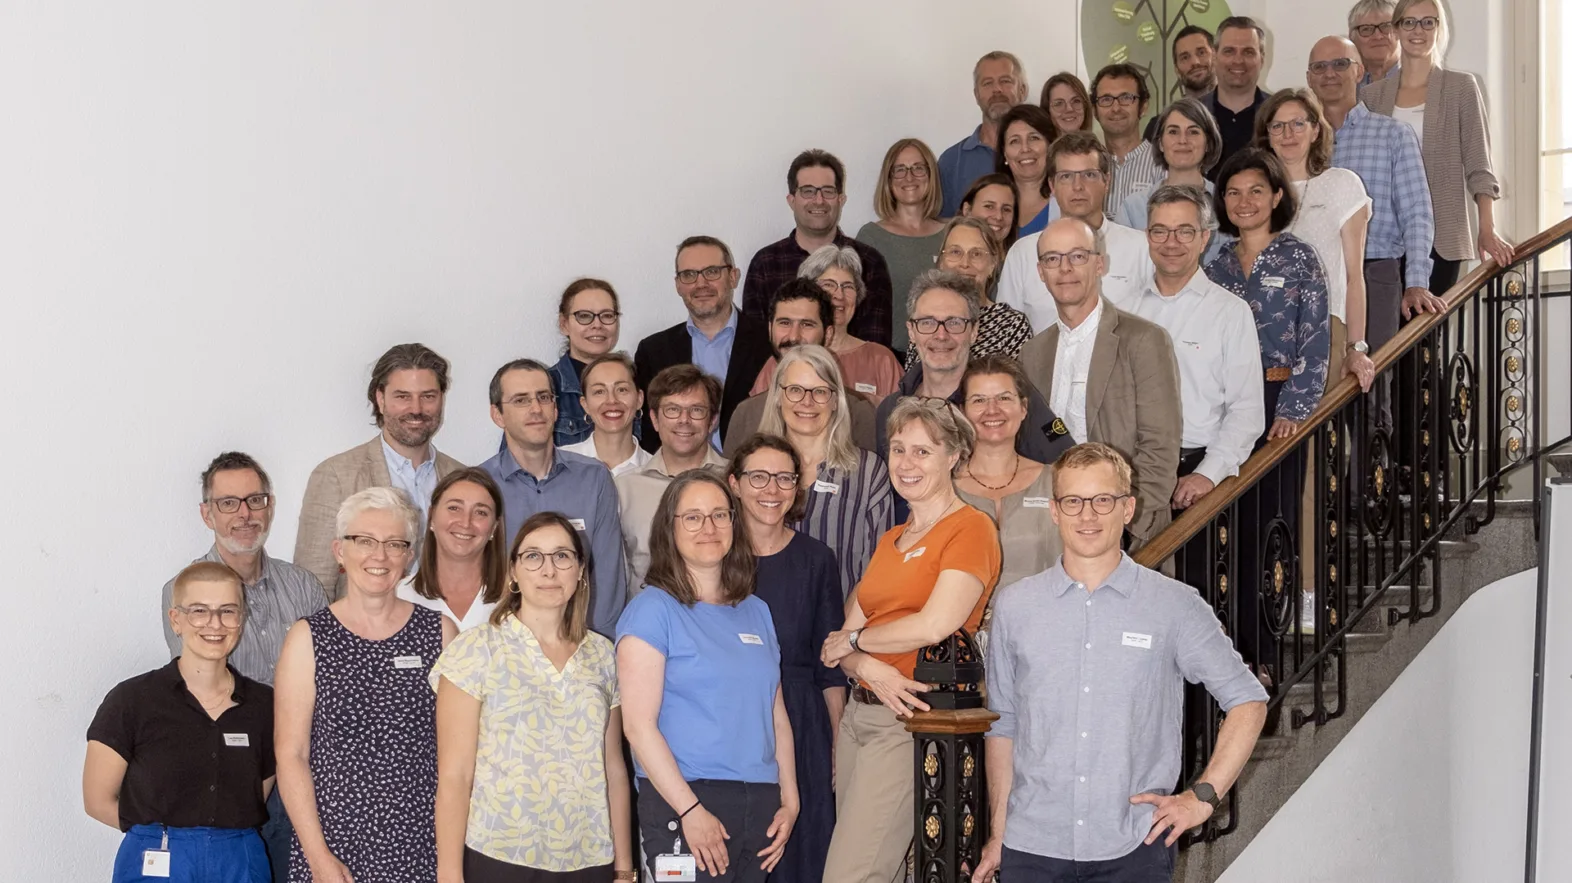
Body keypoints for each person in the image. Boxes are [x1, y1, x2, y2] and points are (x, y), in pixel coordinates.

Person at [972, 443, 1269, 882]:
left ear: (1127, 508)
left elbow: (1248, 701)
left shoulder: (1175, 606)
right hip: (1031, 847)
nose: (1087, 516)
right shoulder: (1015, 607)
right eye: (1073, 501)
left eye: (1103, 500)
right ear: (1055, 511)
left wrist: (1203, 797)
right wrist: (999, 832)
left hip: (1134, 850)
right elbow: (1004, 727)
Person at [819, 397, 1002, 883]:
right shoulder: (890, 538)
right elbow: (837, 643)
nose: (906, 463)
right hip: (862, 713)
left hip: (910, 721)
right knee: (891, 873)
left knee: (849, 876)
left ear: (954, 456)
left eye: (923, 451)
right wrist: (867, 664)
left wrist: (859, 645)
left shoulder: (971, 527)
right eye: (898, 449)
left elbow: (934, 624)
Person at [432, 512, 635, 883]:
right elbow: (454, 777)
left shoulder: (603, 655)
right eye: (533, 556)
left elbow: (613, 769)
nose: (549, 570)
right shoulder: (476, 649)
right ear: (512, 572)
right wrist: (449, 876)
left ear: (580, 570)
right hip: (499, 856)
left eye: (562, 556)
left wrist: (624, 868)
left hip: (589, 858)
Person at [616, 472, 799, 883]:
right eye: (693, 517)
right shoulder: (652, 611)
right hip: (687, 802)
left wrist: (790, 799)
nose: (709, 528)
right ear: (669, 527)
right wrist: (689, 810)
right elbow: (638, 728)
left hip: (762, 803)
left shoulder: (757, 611)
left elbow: (777, 716)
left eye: (719, 514)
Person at [275, 488, 459, 883]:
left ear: (410, 556)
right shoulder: (307, 638)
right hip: (334, 848)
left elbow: (457, 756)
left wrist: (451, 862)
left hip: (423, 846)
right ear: (339, 550)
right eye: (365, 541)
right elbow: (291, 755)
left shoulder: (440, 633)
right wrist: (317, 857)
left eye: (395, 544)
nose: (380, 556)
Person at [156, 452, 323, 881]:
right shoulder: (184, 591)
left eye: (255, 500)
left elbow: (326, 679)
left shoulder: (303, 585)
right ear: (206, 513)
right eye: (228, 503)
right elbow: (200, 686)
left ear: (270, 505)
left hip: (305, 763)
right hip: (237, 770)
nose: (244, 514)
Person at [1207, 149, 1330, 668]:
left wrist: (1295, 410)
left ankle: (1270, 648)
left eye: (1257, 190)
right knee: (1226, 529)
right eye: (1233, 192)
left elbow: (1317, 339)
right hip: (1225, 409)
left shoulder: (1299, 257)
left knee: (1271, 523)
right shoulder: (1214, 264)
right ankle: (1231, 648)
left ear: (1278, 196)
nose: (1245, 201)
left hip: (1280, 403)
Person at [87, 562, 275, 883]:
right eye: (199, 610)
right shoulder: (132, 700)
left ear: (241, 619)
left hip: (240, 859)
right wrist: (160, 835)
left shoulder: (264, 706)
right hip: (157, 856)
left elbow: (257, 793)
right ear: (176, 620)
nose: (215, 624)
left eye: (228, 611)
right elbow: (97, 800)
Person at [1019, 217, 1183, 550]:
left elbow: (1160, 449)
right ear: (1040, 272)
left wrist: (1124, 528)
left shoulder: (1144, 341)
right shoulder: (1031, 353)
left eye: (1078, 256)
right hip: (1055, 532)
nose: (1065, 268)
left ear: (1099, 264)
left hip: (1130, 533)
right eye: (1052, 259)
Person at [727, 435, 845, 883]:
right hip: (733, 721)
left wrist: (835, 741)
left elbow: (829, 664)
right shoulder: (712, 557)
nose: (771, 489)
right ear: (735, 484)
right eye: (758, 477)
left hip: (803, 721)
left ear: (797, 487)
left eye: (784, 478)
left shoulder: (817, 559)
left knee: (804, 857)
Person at [1308, 35, 1437, 429]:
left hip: (1375, 273)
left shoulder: (1392, 135)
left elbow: (1417, 211)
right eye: (1320, 67)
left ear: (1359, 71)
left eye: (1340, 64)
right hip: (1314, 280)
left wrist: (1416, 281)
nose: (1330, 74)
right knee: (1315, 391)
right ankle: (1324, 491)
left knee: (1368, 387)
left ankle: (1368, 489)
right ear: (1310, 78)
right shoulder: (1298, 141)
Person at [1128, 185, 1265, 517]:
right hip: (1131, 475)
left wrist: (1208, 473)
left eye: (1184, 231)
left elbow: (1246, 410)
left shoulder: (1230, 312)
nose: (1171, 242)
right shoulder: (1123, 309)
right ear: (1147, 236)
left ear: (1204, 238)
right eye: (1160, 231)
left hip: (1196, 479)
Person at [1361, 0, 1514, 294]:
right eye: (1409, 22)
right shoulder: (1371, 97)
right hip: (1383, 239)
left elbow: (1479, 165)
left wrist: (1487, 228)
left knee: (1427, 335)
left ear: (1439, 29)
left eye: (1428, 22)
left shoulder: (1462, 88)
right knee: (1388, 336)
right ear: (1396, 29)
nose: (1418, 30)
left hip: (1441, 236)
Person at [295, 343, 464, 599]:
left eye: (428, 396)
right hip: (363, 635)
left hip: (451, 634)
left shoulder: (461, 478)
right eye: (402, 396)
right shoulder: (336, 476)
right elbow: (312, 589)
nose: (416, 409)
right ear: (380, 399)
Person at [481, 358, 627, 638]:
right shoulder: (480, 487)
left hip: (581, 643)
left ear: (556, 407)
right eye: (521, 400)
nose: (536, 409)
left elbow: (607, 579)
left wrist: (596, 650)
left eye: (544, 397)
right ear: (497, 415)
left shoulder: (594, 478)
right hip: (503, 645)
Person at [877, 270, 1073, 467]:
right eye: (927, 322)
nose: (941, 335)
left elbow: (1068, 460)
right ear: (911, 332)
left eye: (954, 323)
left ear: (974, 331)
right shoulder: (889, 410)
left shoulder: (1011, 398)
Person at [1256, 89, 1376, 393]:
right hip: (1262, 331)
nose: (1288, 134)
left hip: (1324, 327)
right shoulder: (1255, 192)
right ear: (1267, 135)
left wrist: (1356, 347)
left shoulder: (1342, 184)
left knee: (1318, 435)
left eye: (1298, 123)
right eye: (1277, 126)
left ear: (1315, 130)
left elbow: (1353, 277)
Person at [757, 345, 894, 598]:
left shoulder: (868, 473)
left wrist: (840, 635)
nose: (807, 402)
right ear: (777, 396)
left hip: (842, 626)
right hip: (762, 628)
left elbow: (877, 571)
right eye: (795, 390)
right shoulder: (752, 470)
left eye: (820, 391)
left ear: (835, 400)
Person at [998, 132, 1154, 330]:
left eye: (1089, 175)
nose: (1078, 186)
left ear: (1107, 181)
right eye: (1066, 176)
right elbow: (1007, 335)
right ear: (1052, 186)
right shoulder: (1023, 253)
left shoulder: (1141, 248)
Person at [741, 150, 895, 347]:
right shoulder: (765, 264)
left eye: (828, 191)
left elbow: (875, 347)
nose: (819, 200)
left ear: (841, 200)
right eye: (808, 191)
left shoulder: (869, 262)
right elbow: (757, 346)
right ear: (791, 200)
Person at [635, 235, 772, 450]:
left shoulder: (769, 343)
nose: (701, 283)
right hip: (677, 477)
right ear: (678, 285)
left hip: (751, 474)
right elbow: (649, 430)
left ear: (733, 277)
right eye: (689, 275)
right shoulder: (653, 351)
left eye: (712, 272)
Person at [728, 281, 880, 453]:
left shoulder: (858, 413)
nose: (793, 336)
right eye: (784, 323)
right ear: (770, 328)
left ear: (828, 334)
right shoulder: (745, 414)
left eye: (807, 324)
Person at [954, 356, 1063, 593]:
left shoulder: (1057, 482)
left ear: (1023, 408)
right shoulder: (942, 488)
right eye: (979, 400)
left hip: (1045, 625)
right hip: (960, 629)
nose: (992, 410)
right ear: (963, 411)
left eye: (1004, 398)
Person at [616, 366, 729, 590]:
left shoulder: (735, 483)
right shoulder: (623, 489)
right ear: (655, 419)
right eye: (672, 410)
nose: (684, 420)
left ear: (713, 420)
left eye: (696, 410)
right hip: (645, 621)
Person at [857, 138, 947, 352]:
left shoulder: (951, 233)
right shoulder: (871, 237)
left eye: (918, 168)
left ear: (931, 175)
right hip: (893, 357)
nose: (909, 177)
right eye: (900, 170)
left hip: (948, 353)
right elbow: (860, 310)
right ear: (888, 180)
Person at [397, 468, 507, 633]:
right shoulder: (399, 595)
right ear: (432, 516)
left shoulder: (517, 599)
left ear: (494, 528)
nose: (465, 522)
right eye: (454, 508)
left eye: (480, 512)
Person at [799, 245, 905, 403]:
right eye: (828, 284)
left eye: (848, 286)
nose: (839, 295)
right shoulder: (789, 354)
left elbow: (904, 419)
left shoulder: (882, 360)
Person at [925, 216, 1033, 364]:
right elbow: (913, 383)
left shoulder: (1011, 325)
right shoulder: (925, 319)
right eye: (955, 252)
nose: (964, 263)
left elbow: (1016, 385)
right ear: (941, 262)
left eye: (976, 254)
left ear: (992, 265)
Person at [938, 51, 1030, 217]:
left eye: (1005, 81)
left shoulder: (1041, 154)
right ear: (976, 95)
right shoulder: (951, 162)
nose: (997, 90)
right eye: (987, 83)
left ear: (1023, 90)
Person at [548, 278, 630, 447]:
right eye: (584, 316)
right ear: (564, 324)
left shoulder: (636, 384)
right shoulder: (544, 390)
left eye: (607, 315)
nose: (597, 325)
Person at [562, 352, 653, 478]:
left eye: (622, 390)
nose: (612, 400)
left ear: (639, 399)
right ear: (585, 404)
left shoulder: (656, 472)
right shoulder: (561, 465)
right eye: (599, 391)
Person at [1203, 17, 1272, 176]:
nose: (1238, 60)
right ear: (1214, 56)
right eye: (1229, 51)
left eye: (1248, 52)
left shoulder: (1279, 115)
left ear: (1261, 59)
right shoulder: (1191, 115)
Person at [1093, 63, 1164, 216]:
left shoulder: (1163, 165)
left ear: (1144, 106)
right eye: (1106, 99)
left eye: (1126, 98)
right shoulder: (1087, 166)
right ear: (1094, 111)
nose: (1116, 108)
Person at [1139, 26, 1220, 141]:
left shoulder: (1246, 116)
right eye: (1185, 57)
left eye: (1201, 52)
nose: (1195, 62)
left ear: (1215, 56)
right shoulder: (1158, 128)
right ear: (1176, 70)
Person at [994, 104, 1060, 236]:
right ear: (1005, 153)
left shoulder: (1066, 203)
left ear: (1050, 146)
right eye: (1015, 141)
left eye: (1033, 138)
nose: (1025, 148)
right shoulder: (991, 204)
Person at [959, 172, 1022, 257]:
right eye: (989, 206)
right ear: (967, 210)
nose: (998, 216)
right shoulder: (947, 259)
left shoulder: (1021, 263)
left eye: (1006, 209)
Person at [1349, 0, 1401, 86]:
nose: (1378, 37)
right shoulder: (1345, 84)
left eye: (1386, 27)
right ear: (1352, 37)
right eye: (1366, 29)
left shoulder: (1422, 79)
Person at [1039, 72, 1095, 136]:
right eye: (1059, 103)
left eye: (1076, 101)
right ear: (1047, 111)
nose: (1069, 109)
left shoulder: (1097, 145)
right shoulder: (1037, 146)